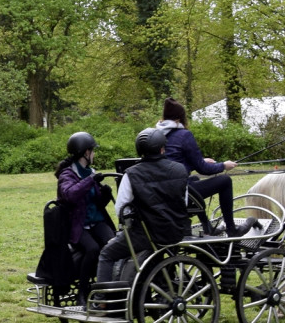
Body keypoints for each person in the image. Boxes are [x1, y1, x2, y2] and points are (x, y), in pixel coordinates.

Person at [95, 128, 190, 286]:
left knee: (107, 254)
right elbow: (183, 202)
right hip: (175, 232)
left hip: (146, 235)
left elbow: (121, 210)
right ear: (162, 148)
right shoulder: (180, 170)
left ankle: (101, 301)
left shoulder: (131, 174)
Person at [156, 97, 245, 237]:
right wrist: (223, 166)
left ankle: (207, 227)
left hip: (160, 191)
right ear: (179, 120)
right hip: (178, 194)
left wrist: (200, 160)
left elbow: (172, 162)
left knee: (195, 179)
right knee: (225, 181)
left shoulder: (155, 134)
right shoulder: (184, 135)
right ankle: (232, 230)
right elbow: (204, 169)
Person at [54, 131, 116, 308]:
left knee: (113, 245)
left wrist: (105, 194)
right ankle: (83, 291)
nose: (94, 154)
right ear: (85, 153)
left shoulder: (90, 171)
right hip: (77, 225)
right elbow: (70, 195)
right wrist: (90, 181)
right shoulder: (67, 174)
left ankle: (108, 289)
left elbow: (96, 204)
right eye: (92, 151)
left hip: (96, 221)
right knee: (92, 249)